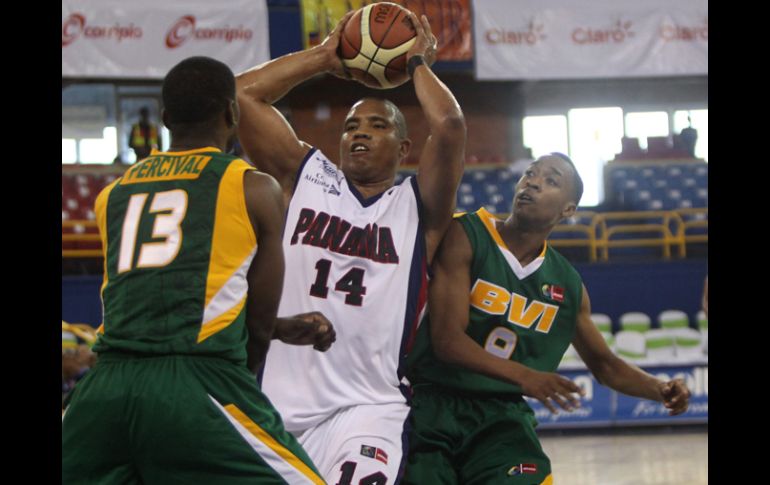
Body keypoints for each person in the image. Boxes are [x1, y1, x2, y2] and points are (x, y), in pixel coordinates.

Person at [62, 56, 334, 484]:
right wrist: (237, 388)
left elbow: (158, 291)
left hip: (104, 389)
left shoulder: (112, 195)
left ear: (166, 118)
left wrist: (280, 329)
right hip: (196, 384)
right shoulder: (253, 187)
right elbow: (257, 327)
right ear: (232, 113)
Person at [236, 11, 466, 484]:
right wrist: (323, 58)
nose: (359, 132)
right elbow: (239, 97)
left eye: (377, 125)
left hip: (368, 408)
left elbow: (449, 124)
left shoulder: (417, 205)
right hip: (274, 406)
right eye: (350, 125)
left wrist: (417, 63)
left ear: (403, 148)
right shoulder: (306, 177)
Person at [403, 153, 691, 484]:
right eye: (530, 173)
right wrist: (526, 376)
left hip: (501, 418)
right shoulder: (466, 233)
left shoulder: (567, 284)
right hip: (432, 403)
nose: (533, 182)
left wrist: (660, 388)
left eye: (550, 180)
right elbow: (447, 341)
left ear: (568, 209)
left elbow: (606, 366)